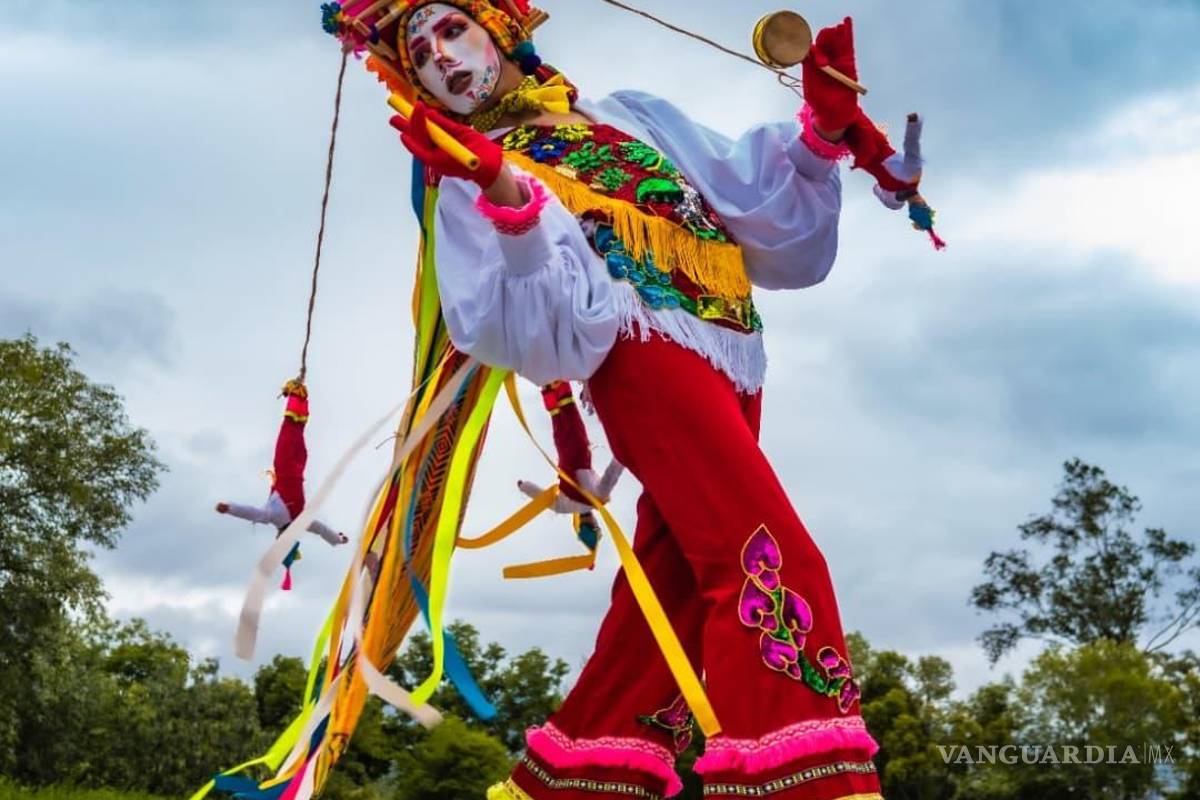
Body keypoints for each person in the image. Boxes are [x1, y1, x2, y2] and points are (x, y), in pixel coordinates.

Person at [322, 2, 909, 797]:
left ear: (499, 28)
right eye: (420, 55)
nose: (445, 60)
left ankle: (579, 778)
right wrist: (502, 190)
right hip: (642, 360)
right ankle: (809, 783)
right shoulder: (469, 172)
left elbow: (749, 208)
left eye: (453, 31)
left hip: (733, 349)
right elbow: (516, 327)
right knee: (770, 561)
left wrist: (818, 136)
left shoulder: (626, 114)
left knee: (666, 595)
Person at [216, 379, 348, 589]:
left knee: (295, 431)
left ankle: (299, 396)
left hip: (297, 466)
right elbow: (252, 513)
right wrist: (229, 508)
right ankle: (296, 394)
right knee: (290, 430)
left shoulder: (299, 523)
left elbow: (322, 530)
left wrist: (339, 539)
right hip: (288, 465)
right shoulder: (278, 517)